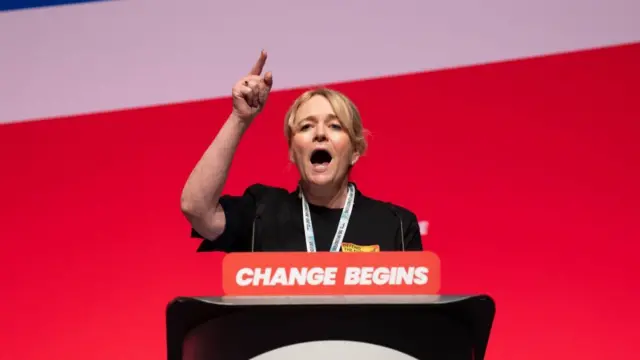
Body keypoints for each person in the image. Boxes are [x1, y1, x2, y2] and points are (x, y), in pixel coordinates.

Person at [180, 50, 423, 252]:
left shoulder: (397, 225)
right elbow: (196, 208)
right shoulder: (261, 212)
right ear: (292, 151)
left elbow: (412, 310)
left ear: (355, 151)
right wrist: (239, 118)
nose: (320, 133)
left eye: (335, 126)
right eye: (306, 126)